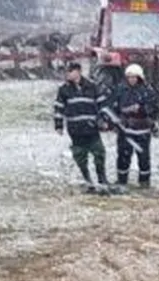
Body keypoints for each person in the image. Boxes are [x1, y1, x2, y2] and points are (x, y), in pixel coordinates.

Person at [53, 62, 112, 193]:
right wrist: (58, 124)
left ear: (78, 72)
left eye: (70, 71)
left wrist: (104, 119)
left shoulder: (92, 87)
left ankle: (102, 179)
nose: (67, 74)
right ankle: (88, 180)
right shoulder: (64, 90)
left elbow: (103, 105)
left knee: (99, 154)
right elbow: (59, 108)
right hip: (75, 131)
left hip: (92, 129)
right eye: (66, 72)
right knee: (80, 156)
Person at [108, 63, 158, 188]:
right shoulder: (120, 90)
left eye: (134, 77)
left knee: (144, 158)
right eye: (129, 77)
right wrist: (115, 120)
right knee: (123, 156)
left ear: (139, 77)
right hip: (125, 131)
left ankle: (144, 182)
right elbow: (113, 107)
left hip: (142, 131)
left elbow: (153, 108)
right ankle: (122, 180)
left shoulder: (147, 91)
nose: (131, 79)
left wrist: (140, 109)